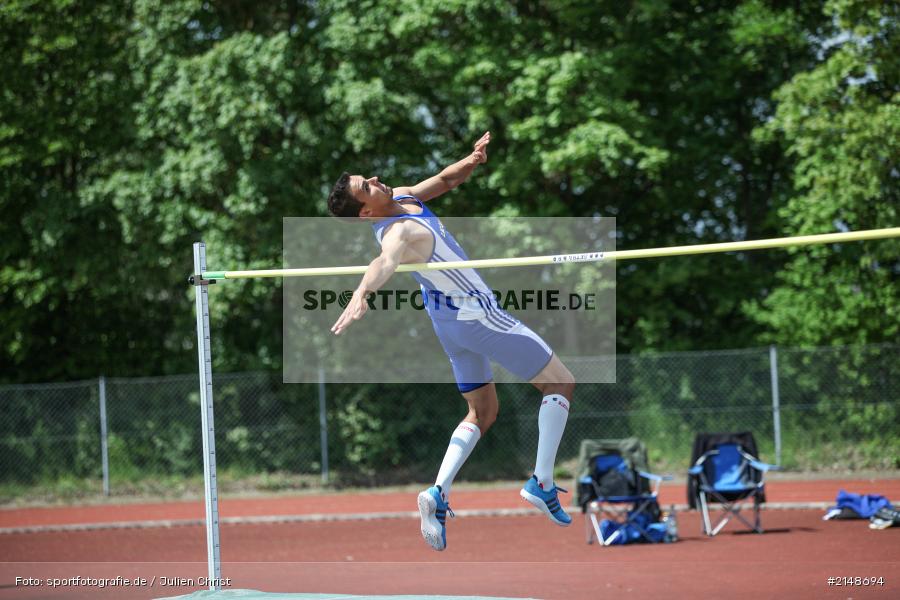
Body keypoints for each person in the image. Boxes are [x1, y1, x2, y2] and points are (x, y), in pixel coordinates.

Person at [327, 132, 575, 551]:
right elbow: (383, 262)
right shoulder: (397, 231)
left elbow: (442, 181)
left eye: (366, 177)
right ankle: (541, 482)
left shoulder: (403, 197)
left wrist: (472, 160)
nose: (374, 178)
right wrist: (361, 293)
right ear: (366, 212)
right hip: (476, 314)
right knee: (561, 383)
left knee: (482, 410)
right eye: (365, 186)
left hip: (449, 323)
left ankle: (437, 493)